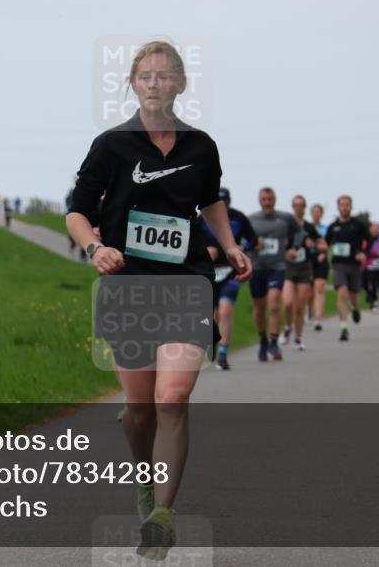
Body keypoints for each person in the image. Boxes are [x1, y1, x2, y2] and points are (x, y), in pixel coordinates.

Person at [65, 40, 251, 559]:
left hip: (187, 283)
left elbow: (210, 200)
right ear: (132, 83)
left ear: (180, 84)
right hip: (128, 288)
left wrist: (231, 246)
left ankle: (163, 515)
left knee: (172, 398)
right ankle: (143, 485)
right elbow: (77, 211)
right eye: (144, 75)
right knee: (142, 411)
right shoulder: (111, 145)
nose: (154, 83)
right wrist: (95, 247)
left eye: (164, 76)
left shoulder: (201, 146)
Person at [201, 187, 258, 370]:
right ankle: (211, 346)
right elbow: (191, 241)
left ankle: (224, 353)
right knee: (211, 315)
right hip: (209, 272)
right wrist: (204, 250)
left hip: (231, 271)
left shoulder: (239, 217)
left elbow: (254, 241)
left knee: (225, 309)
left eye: (225, 202)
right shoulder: (202, 218)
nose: (222, 206)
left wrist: (242, 246)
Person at [248, 187, 297, 361]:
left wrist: (293, 248)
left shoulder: (285, 218)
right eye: (264, 200)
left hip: (277, 267)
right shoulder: (251, 219)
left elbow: (298, 232)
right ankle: (263, 340)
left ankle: (274, 342)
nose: (267, 203)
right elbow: (241, 240)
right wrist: (252, 244)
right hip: (257, 268)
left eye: (270, 199)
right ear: (259, 201)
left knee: (275, 304)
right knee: (259, 308)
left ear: (275, 200)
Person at [282, 195, 324, 351]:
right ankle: (287, 326)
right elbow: (278, 243)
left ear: (305, 208)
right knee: (287, 303)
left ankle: (298, 339)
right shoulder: (286, 225)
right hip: (288, 267)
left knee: (299, 307)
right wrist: (286, 251)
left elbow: (323, 245)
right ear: (292, 207)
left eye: (301, 205)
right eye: (296, 205)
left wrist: (313, 245)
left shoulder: (309, 227)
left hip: (304, 268)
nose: (299, 208)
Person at [325, 195, 370, 342]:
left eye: (347, 205)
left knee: (353, 295)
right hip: (338, 264)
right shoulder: (333, 226)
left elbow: (369, 241)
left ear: (351, 206)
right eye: (342, 205)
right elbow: (325, 243)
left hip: (354, 264)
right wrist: (321, 253)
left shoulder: (358, 224)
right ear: (338, 207)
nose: (344, 207)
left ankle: (355, 308)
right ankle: (344, 328)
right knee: (342, 294)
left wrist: (363, 253)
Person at [308, 203, 330, 331]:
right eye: (314, 212)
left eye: (319, 212)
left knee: (319, 290)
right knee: (309, 292)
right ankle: (309, 310)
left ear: (321, 214)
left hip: (322, 260)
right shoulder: (307, 227)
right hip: (308, 261)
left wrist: (323, 252)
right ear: (311, 213)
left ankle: (318, 318)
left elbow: (328, 244)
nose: (317, 214)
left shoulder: (325, 229)